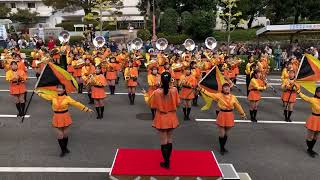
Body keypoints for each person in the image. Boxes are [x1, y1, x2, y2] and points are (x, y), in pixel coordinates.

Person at [36, 84, 93, 157]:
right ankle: (62, 150)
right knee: (60, 136)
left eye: (60, 88)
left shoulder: (67, 98)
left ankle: (65, 148)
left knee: (65, 135)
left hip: (65, 116)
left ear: (64, 90)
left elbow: (76, 104)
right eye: (58, 88)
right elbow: (44, 96)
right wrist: (38, 92)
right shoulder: (52, 96)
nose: (59, 89)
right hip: (56, 117)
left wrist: (86, 109)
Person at [143, 72, 180, 169]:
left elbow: (151, 104)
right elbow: (178, 103)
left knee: (163, 140)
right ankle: (168, 161)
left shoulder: (157, 92)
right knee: (170, 139)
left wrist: (145, 95)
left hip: (161, 117)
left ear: (161, 80)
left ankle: (166, 162)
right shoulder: (174, 90)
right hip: (172, 116)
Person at [200, 83, 246, 155]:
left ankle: (223, 147)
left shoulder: (233, 97)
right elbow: (209, 94)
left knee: (226, 133)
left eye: (228, 87)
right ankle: (221, 148)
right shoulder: (219, 95)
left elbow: (238, 106)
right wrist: (201, 89)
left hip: (229, 115)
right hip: (222, 114)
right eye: (225, 87)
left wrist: (242, 114)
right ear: (222, 89)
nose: (227, 88)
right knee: (222, 133)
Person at [298, 87, 320, 158]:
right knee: (310, 136)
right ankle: (309, 149)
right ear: (316, 93)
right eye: (318, 92)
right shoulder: (313, 99)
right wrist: (298, 92)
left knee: (316, 136)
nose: (319, 93)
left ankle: (310, 149)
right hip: (314, 118)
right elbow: (305, 97)